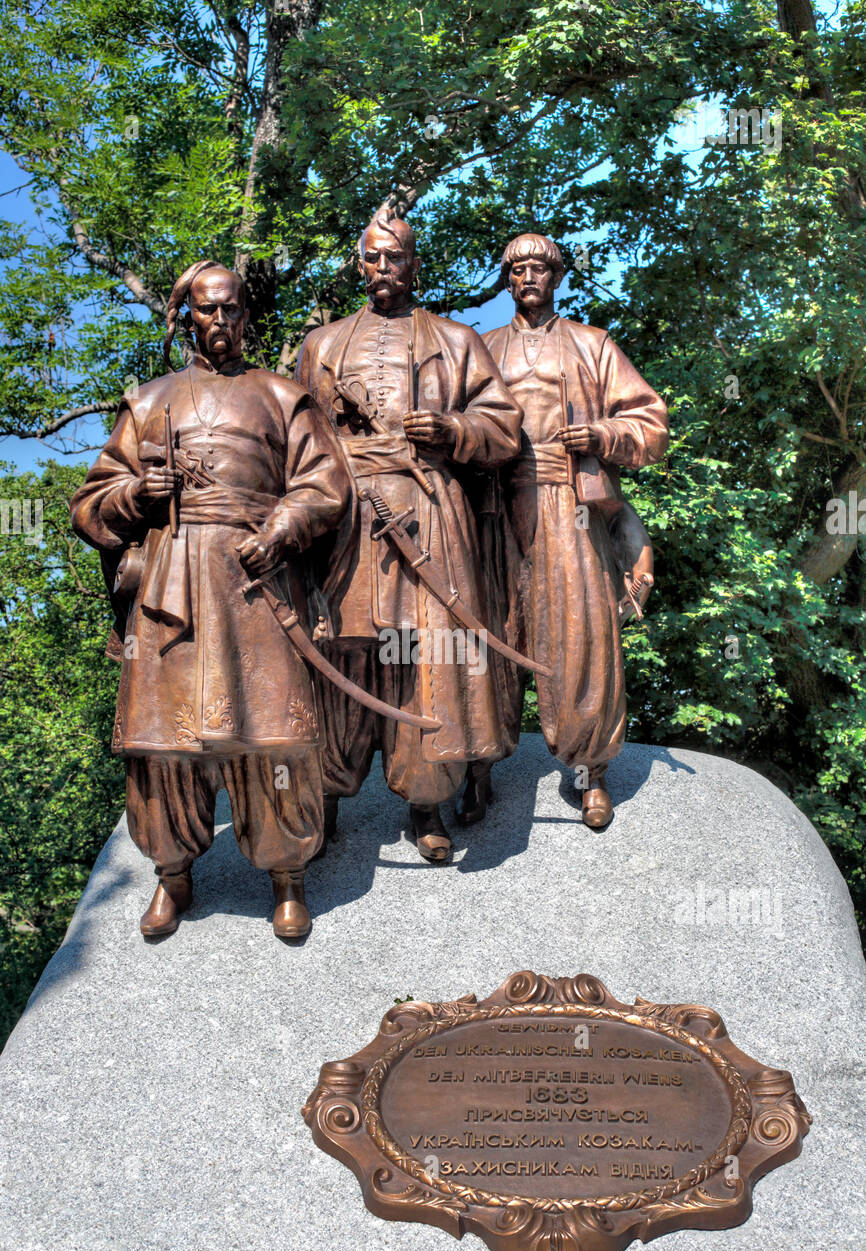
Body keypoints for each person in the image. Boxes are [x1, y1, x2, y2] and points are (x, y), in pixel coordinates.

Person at [70, 260, 352, 939]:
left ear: (246, 315)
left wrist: (283, 530)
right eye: (207, 309)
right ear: (186, 317)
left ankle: (287, 875)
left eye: (232, 308)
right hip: (172, 586)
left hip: (258, 582)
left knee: (275, 733)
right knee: (163, 743)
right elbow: (89, 507)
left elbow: (327, 485)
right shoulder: (149, 401)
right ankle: (172, 874)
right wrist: (138, 496)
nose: (221, 321)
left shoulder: (283, 396)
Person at [295, 208, 523, 862]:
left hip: (428, 512)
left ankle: (425, 801)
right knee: (341, 655)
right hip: (346, 519)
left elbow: (504, 430)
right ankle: (328, 795)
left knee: (424, 661)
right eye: (373, 257)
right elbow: (293, 440)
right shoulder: (322, 346)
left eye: (396, 257)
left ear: (416, 264)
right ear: (359, 264)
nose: (384, 269)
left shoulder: (456, 341)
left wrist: (453, 431)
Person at [473, 233, 668, 828]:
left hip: (568, 503)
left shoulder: (592, 345)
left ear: (557, 277)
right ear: (506, 280)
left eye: (539, 269)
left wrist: (604, 437)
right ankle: (476, 768)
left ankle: (591, 772)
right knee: (486, 633)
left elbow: (652, 423)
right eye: (517, 270)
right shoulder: (479, 349)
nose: (528, 278)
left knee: (581, 634)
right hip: (493, 507)